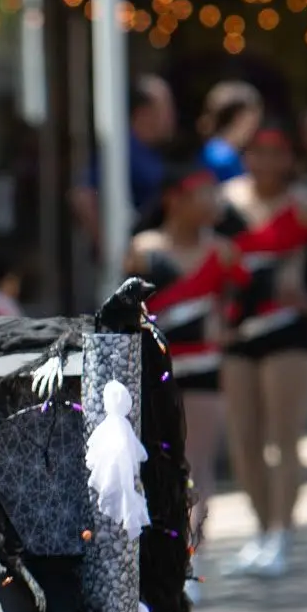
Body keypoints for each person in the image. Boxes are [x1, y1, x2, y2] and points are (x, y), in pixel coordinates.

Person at [219, 127, 307, 577]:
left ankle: (282, 533)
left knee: (284, 437)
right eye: (257, 152)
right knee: (244, 439)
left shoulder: (302, 204)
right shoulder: (225, 201)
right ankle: (262, 530)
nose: (265, 161)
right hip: (237, 331)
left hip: (289, 331)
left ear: (288, 159)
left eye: (275, 152)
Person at [127, 164, 232, 569]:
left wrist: (224, 321)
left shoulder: (223, 250)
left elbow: (241, 300)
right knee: (158, 459)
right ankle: (161, 548)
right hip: (157, 365)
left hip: (204, 362)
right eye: (202, 194)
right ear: (175, 199)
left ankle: (192, 553)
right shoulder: (144, 248)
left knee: (197, 461)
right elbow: (125, 310)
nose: (212, 203)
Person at [72, 75, 176, 243]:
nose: (172, 117)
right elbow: (83, 197)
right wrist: (110, 245)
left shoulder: (151, 150)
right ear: (144, 112)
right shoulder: (120, 151)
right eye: (166, 109)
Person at [199, 82, 264, 184]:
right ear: (240, 117)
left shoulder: (227, 152)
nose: (258, 125)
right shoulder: (222, 159)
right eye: (256, 118)